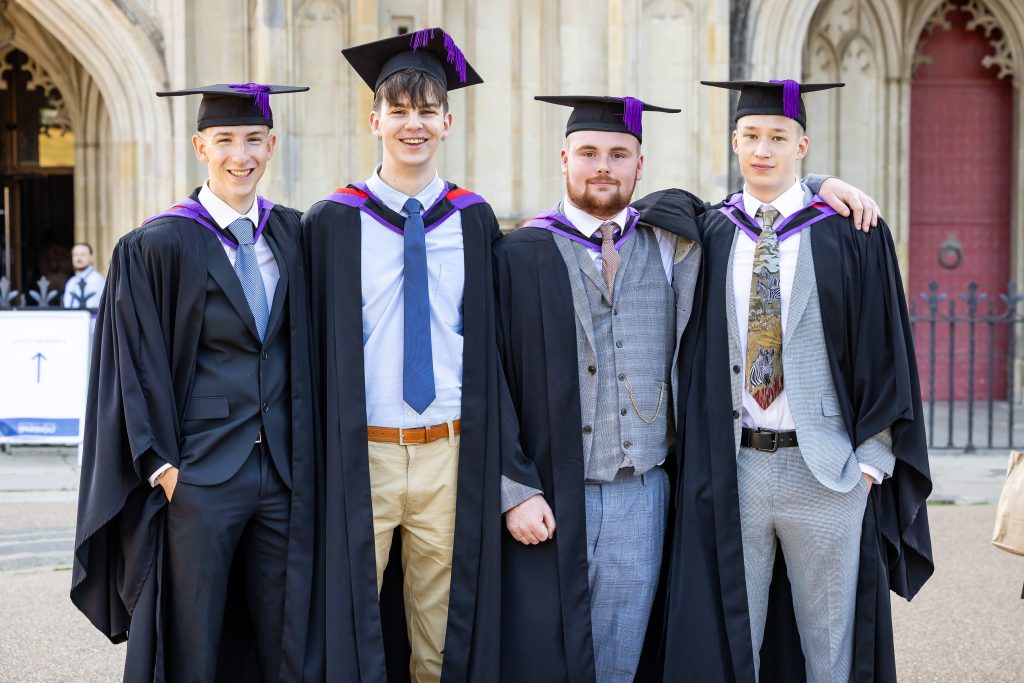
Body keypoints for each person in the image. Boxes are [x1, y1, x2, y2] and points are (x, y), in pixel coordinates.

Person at [494, 94, 877, 683]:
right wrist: (512, 487)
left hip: (648, 491)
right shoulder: (517, 253)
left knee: (630, 654)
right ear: (563, 157)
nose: (603, 166)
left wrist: (821, 182)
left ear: (640, 165)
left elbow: (773, 208)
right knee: (541, 652)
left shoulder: (676, 239)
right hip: (551, 491)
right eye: (589, 152)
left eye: (619, 154)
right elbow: (487, 379)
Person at [661, 80, 933, 682]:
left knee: (831, 648)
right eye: (752, 137)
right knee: (735, 642)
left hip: (827, 472)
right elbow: (649, 203)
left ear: (802, 145)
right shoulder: (710, 232)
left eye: (778, 138)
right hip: (737, 470)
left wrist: (869, 463)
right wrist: (816, 185)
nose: (763, 150)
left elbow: (886, 348)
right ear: (734, 142)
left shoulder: (850, 233)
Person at [71, 83, 316, 682]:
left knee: (286, 635)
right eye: (226, 140)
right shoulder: (157, 244)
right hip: (201, 473)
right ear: (200, 147)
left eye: (254, 140)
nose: (242, 155)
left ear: (272, 144)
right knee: (192, 636)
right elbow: (135, 365)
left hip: (283, 472)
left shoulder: (295, 235)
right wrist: (162, 467)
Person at [302, 28, 515, 683]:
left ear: (447, 122)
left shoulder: (474, 219)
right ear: (374, 121)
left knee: (443, 629)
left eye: (426, 111)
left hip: (450, 451)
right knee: (351, 617)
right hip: (361, 453)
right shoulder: (332, 222)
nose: (412, 124)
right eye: (398, 111)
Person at [62, 243, 105, 309]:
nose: (79, 258)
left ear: (91, 257)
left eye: (83, 255)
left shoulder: (97, 280)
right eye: (75, 255)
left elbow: (94, 308)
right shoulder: (71, 282)